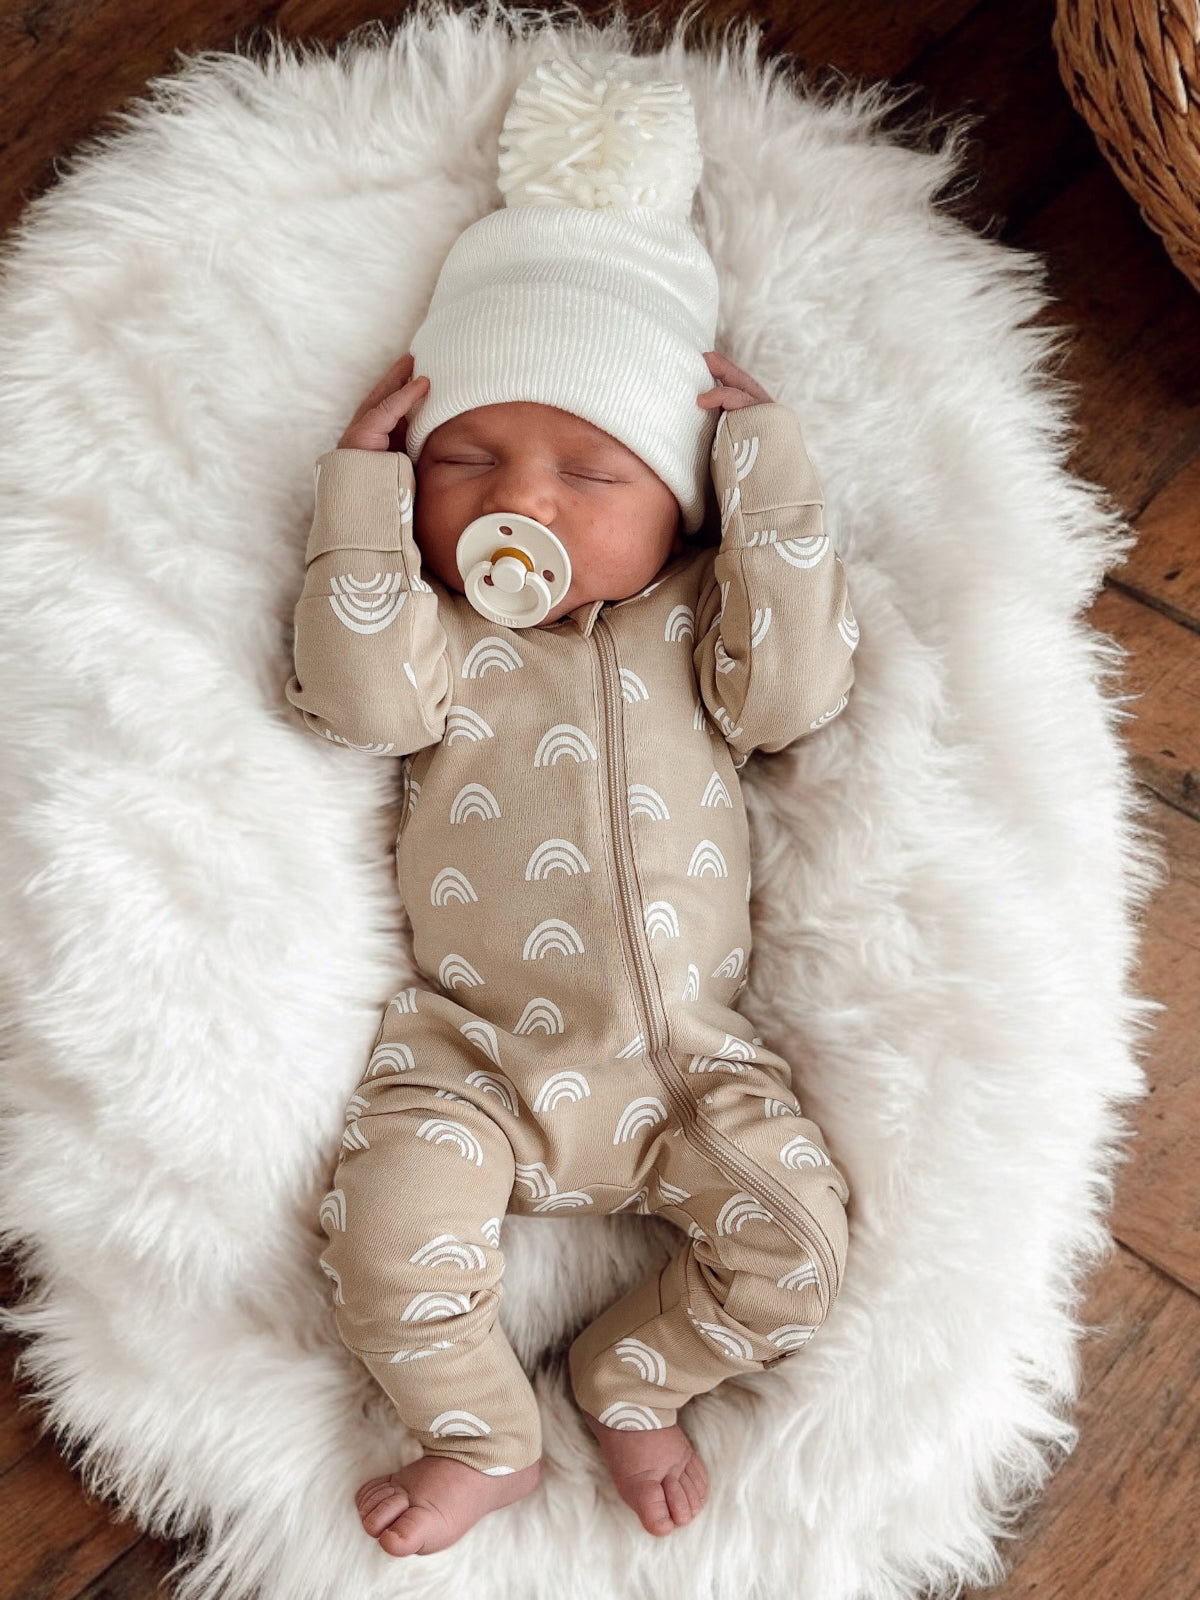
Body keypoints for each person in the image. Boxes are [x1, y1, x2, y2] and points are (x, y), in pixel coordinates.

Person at [284, 51, 857, 1558]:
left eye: (590, 468)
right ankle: (482, 1427)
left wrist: (773, 489)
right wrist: (358, 496)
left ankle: (631, 1372)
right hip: (472, 1058)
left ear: (678, 503)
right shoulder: (442, 640)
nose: (515, 501)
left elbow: (795, 697)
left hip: (691, 1071)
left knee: (799, 1249)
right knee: (387, 1233)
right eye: (465, 458)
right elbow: (354, 700)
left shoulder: (690, 623)